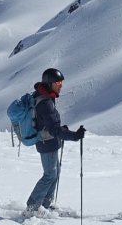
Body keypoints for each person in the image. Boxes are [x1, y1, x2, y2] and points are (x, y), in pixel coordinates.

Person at [25, 66, 85, 216]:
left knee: (54, 172)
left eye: (61, 83)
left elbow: (50, 124)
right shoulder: (45, 103)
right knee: (50, 175)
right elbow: (53, 129)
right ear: (49, 83)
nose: (61, 86)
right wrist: (74, 135)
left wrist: (61, 130)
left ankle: (45, 204)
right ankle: (32, 207)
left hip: (49, 141)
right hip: (47, 143)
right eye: (58, 83)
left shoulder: (45, 97)